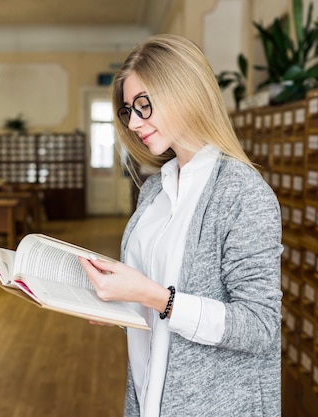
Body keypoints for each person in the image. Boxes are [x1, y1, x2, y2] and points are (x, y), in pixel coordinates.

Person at [78, 34, 283, 417]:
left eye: (144, 106)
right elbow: (150, 298)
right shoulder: (154, 190)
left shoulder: (242, 193)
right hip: (147, 398)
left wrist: (158, 297)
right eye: (127, 111)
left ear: (184, 91)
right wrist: (118, 303)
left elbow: (260, 326)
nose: (134, 122)